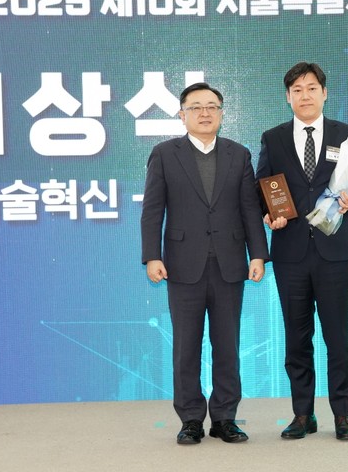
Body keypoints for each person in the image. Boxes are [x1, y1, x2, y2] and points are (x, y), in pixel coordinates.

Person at [141, 82, 269, 445]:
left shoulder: (238, 154)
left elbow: (249, 208)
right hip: (182, 265)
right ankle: (191, 419)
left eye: (212, 106)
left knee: (227, 345)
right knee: (186, 346)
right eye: (195, 107)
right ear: (182, 115)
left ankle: (225, 417)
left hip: (229, 264)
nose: (204, 113)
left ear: (222, 114)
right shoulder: (165, 154)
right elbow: (152, 210)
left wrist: (258, 254)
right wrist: (152, 256)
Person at [256, 62, 348, 441]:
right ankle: (302, 414)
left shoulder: (347, 135)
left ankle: (343, 414)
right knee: (297, 337)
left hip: (335, 250)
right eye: (296, 90)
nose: (304, 95)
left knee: (338, 336)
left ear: (324, 93)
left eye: (311, 88)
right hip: (290, 253)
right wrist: (269, 214)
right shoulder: (273, 138)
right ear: (287, 97)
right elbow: (262, 186)